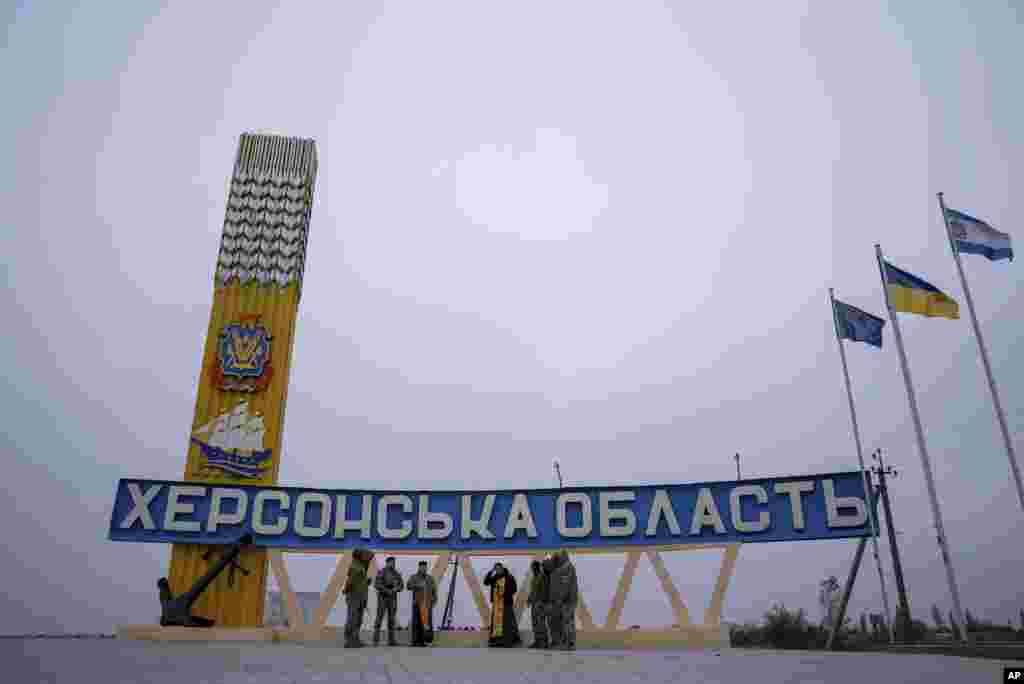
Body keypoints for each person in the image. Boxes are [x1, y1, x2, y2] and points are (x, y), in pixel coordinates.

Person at [342, 548, 374, 648]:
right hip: (354, 596)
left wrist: (366, 582)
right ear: (360, 556)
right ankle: (349, 640)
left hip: (360, 596)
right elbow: (350, 582)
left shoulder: (361, 566)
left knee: (358, 619)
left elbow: (359, 581)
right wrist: (346, 589)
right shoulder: (355, 566)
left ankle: (355, 639)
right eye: (365, 555)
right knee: (352, 619)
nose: (368, 558)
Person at [483, 562, 521, 647]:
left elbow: (514, 589)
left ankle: (509, 641)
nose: (497, 570)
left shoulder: (509, 577)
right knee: (496, 623)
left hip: (506, 603)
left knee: (507, 623)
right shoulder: (494, 578)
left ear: (502, 568)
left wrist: (504, 593)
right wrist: (490, 572)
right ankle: (497, 641)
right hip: (496, 604)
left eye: (499, 568)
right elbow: (486, 582)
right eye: (496, 569)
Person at [549, 550, 578, 650]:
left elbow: (566, 586)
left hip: (568, 600)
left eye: (560, 557)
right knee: (565, 622)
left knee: (568, 622)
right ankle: (567, 643)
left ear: (564, 557)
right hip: (565, 600)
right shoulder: (563, 568)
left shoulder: (568, 568)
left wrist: (560, 599)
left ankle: (570, 644)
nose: (559, 559)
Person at [405, 561, 437, 647]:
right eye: (422, 567)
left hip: (427, 604)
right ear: (419, 568)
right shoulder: (414, 577)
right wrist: (417, 585)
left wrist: (433, 601)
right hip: (417, 603)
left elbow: (434, 591)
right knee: (416, 623)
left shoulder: (430, 578)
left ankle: (427, 641)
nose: (424, 569)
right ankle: (416, 641)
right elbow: (408, 586)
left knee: (427, 623)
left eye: (425, 567)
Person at [373, 556, 403, 646]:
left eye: (394, 563)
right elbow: (377, 584)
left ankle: (391, 641)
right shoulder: (382, 572)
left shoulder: (396, 573)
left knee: (392, 620)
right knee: (379, 618)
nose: (393, 564)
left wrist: (396, 588)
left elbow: (402, 585)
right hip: (383, 598)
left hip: (393, 598)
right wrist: (387, 590)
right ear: (387, 562)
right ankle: (375, 640)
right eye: (391, 562)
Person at [526, 560, 549, 649]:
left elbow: (544, 590)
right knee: (535, 623)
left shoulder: (543, 577)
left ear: (538, 567)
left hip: (540, 604)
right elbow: (533, 591)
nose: (532, 569)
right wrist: (529, 599)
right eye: (532, 567)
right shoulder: (533, 578)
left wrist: (541, 601)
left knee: (541, 623)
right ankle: (537, 641)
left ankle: (544, 642)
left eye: (534, 567)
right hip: (534, 603)